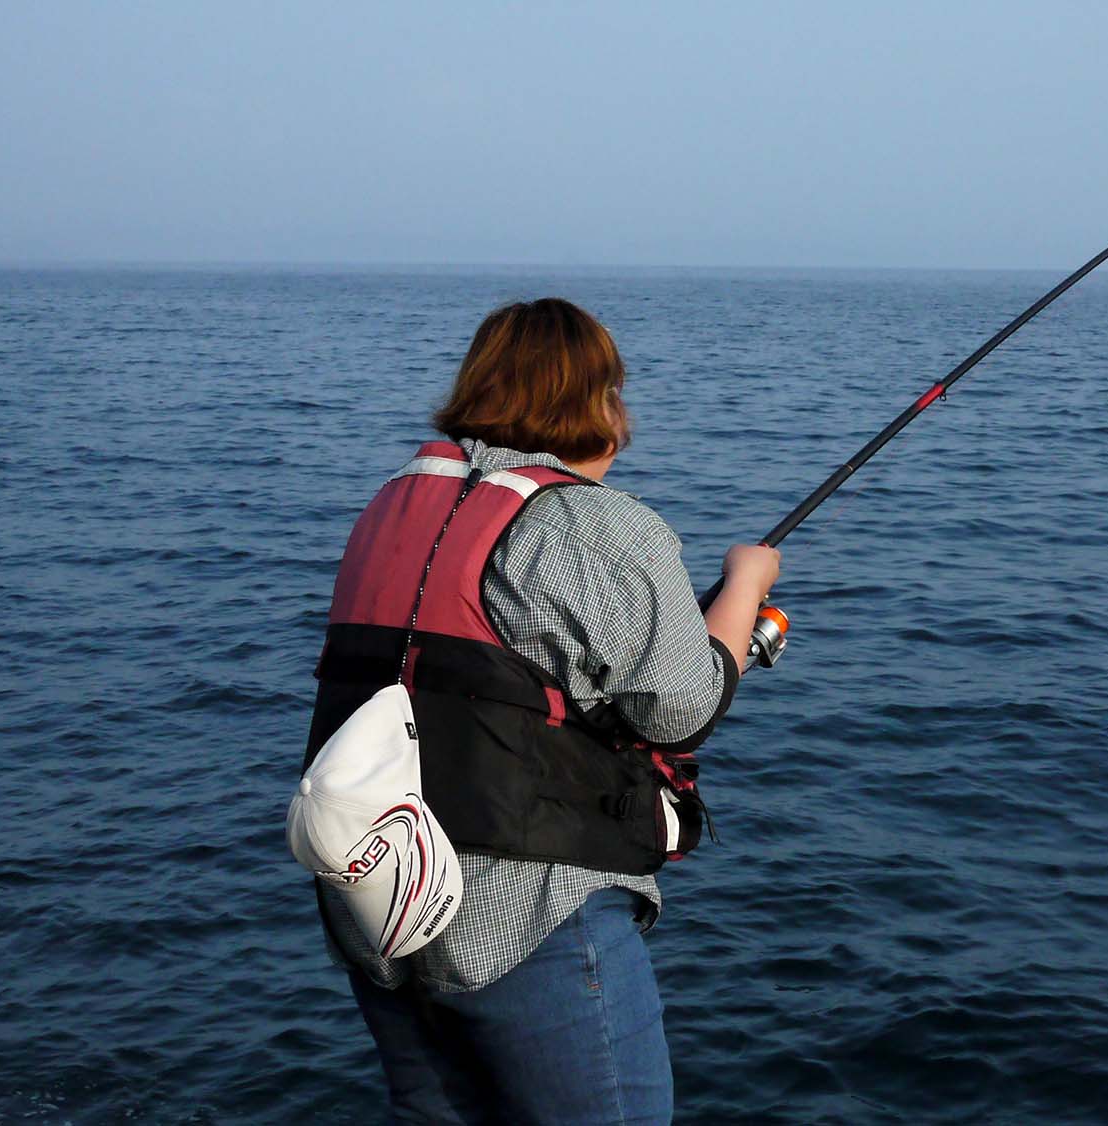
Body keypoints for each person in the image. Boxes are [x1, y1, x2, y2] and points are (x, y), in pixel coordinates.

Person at [300, 297, 779, 1123]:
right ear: (601, 403)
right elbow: (683, 710)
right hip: (527, 915)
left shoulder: (390, 503)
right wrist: (746, 584)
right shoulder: (599, 528)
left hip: (380, 902)